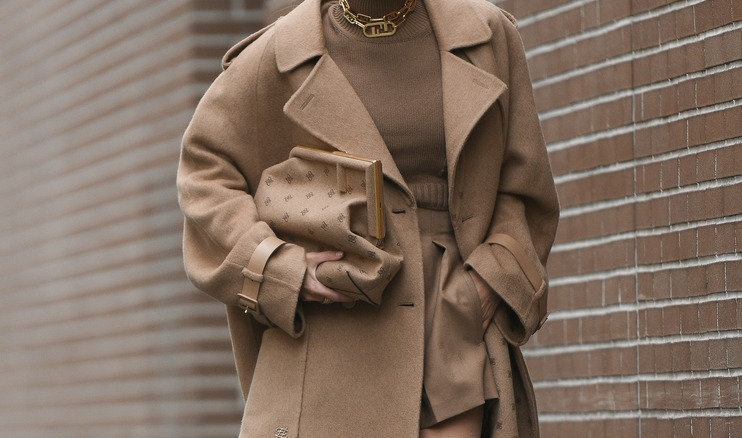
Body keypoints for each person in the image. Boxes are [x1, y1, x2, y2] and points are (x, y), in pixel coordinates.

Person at [177, 0, 559, 436]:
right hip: (326, 333)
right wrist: (277, 268)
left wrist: (491, 281)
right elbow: (204, 171)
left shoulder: (486, 35)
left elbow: (524, 187)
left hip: (453, 326)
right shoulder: (278, 53)